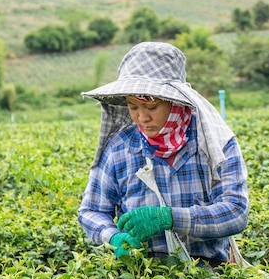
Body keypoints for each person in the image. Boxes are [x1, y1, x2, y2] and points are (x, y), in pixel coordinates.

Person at [78, 42, 249, 267]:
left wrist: (169, 218)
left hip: (210, 273)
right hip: (143, 278)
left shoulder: (215, 144)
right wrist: (113, 237)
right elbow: (92, 210)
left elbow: (236, 212)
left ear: (175, 103)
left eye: (151, 107)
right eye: (133, 107)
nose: (142, 117)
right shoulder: (119, 149)